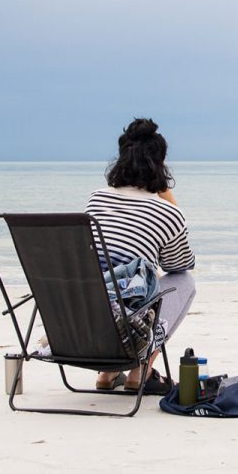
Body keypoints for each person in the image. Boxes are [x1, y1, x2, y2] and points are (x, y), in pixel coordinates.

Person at [86, 118, 196, 392]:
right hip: (129, 334)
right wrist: (168, 197)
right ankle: (141, 370)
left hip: (86, 327)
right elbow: (180, 264)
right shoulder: (167, 212)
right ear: (160, 164)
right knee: (183, 281)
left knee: (113, 278)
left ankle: (107, 373)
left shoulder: (95, 200)